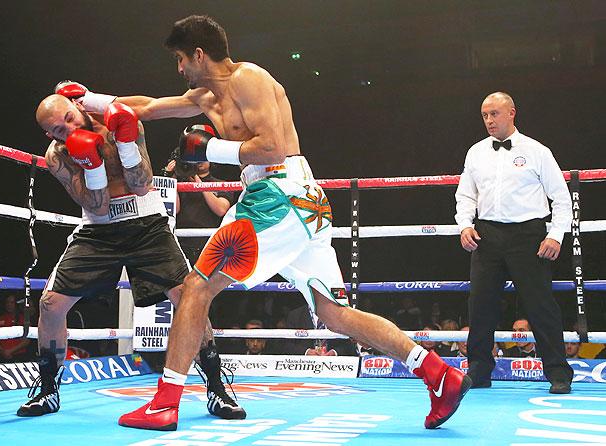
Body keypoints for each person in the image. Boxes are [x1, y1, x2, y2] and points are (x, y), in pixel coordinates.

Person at [70, 15, 470, 431]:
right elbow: (148, 108)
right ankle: (439, 374)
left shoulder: (249, 78)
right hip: (300, 205)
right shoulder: (208, 96)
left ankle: (164, 403)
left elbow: (272, 147)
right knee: (334, 314)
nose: (179, 69)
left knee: (195, 288)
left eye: (181, 59)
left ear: (200, 54)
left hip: (277, 197)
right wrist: (88, 99)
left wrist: (212, 149)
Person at [16, 93, 244, 421]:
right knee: (51, 303)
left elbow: (141, 184)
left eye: (69, 117)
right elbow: (96, 205)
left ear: (77, 107)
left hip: (146, 222)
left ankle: (216, 387)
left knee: (187, 297)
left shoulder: (120, 121)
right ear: (50, 135)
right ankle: (48, 390)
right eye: (59, 130)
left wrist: (123, 144)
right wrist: (91, 165)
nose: (69, 128)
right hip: (99, 230)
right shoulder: (58, 156)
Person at [455, 91, 574, 394]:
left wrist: (555, 234)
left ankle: (559, 374)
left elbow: (561, 197)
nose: (489, 120)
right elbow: (466, 194)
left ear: (511, 113)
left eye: (494, 113)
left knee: (540, 305)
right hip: (487, 235)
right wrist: (465, 225)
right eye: (484, 115)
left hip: (528, 236)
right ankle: (479, 372)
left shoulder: (537, 151)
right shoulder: (475, 152)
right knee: (480, 305)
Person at [0, 294, 32, 363]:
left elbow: (27, 341)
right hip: (2, 356)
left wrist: (10, 351)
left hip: (19, 357)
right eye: (7, 302)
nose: (9, 305)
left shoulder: (24, 319)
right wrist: (2, 351)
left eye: (11, 302)